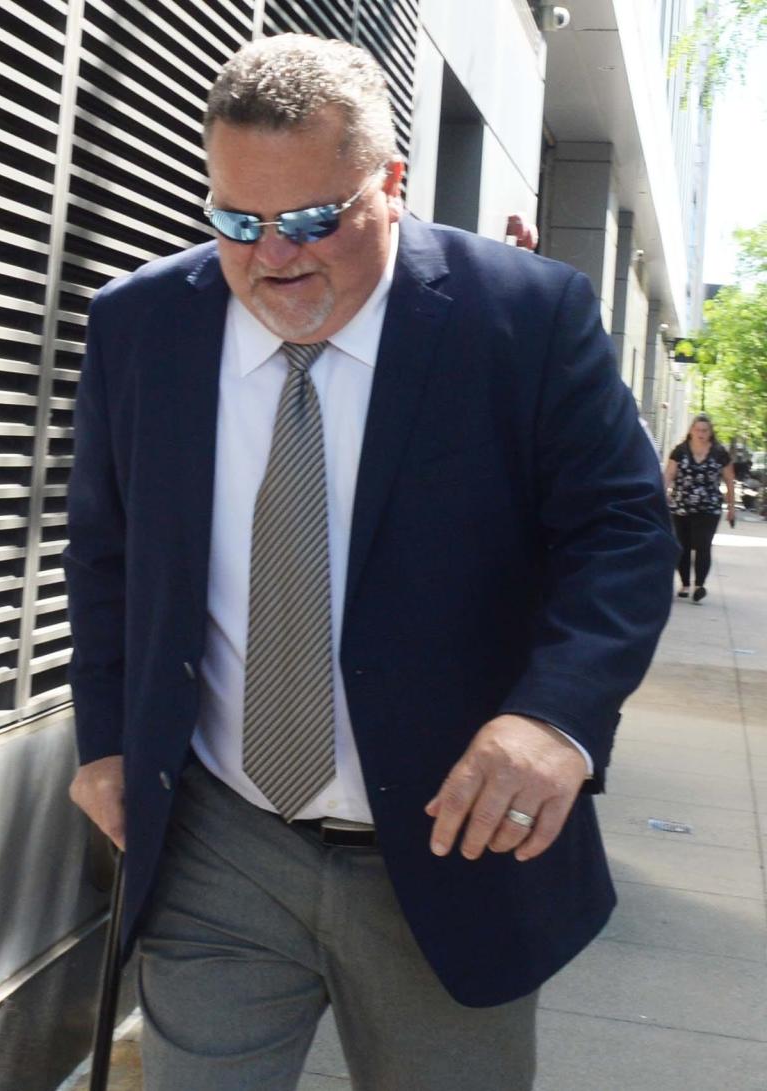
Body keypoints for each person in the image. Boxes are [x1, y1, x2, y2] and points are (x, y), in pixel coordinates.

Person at [63, 34, 677, 1091]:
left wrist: (556, 714)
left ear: (390, 183)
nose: (272, 255)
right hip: (220, 836)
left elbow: (621, 532)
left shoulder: (522, 317)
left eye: (310, 218)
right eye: (234, 222)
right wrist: (108, 737)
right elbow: (108, 551)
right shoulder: (143, 325)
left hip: (451, 842)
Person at [664, 412, 735, 603]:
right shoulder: (680, 451)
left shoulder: (720, 453)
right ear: (691, 431)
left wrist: (731, 508)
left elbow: (729, 480)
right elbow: (669, 475)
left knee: (703, 546)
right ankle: (685, 584)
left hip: (708, 508)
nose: (701, 433)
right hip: (681, 506)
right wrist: (661, 496)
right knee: (683, 546)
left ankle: (699, 585)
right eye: (697, 430)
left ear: (710, 432)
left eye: (705, 430)